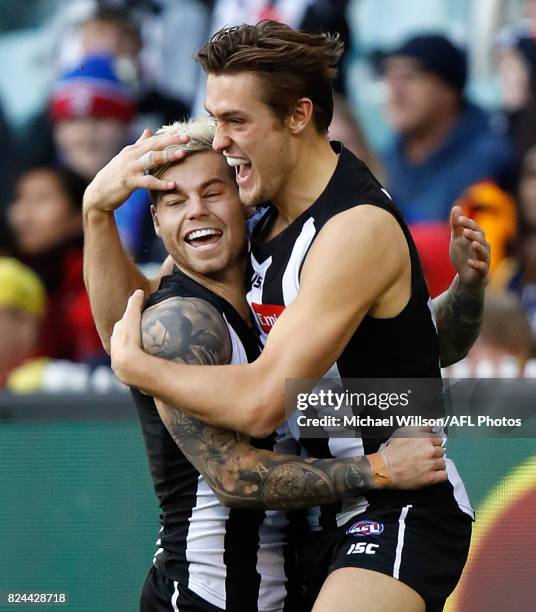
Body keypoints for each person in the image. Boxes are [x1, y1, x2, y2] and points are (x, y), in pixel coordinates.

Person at [85, 22, 490, 612]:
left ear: (298, 116)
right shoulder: (263, 215)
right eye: (214, 119)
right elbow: (143, 311)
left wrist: (134, 368)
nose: (220, 141)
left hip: (395, 501)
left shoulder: (351, 228)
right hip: (311, 520)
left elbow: (262, 402)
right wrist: (96, 214)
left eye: (236, 121)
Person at [381, 33, 513, 222]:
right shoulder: (387, 156)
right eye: (389, 77)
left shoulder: (488, 156)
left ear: (448, 90)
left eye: (408, 77)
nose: (394, 92)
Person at [8, 165, 105, 365]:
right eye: (19, 199)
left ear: (80, 214)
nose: (22, 215)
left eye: (41, 199)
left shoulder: (98, 279)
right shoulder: (10, 278)